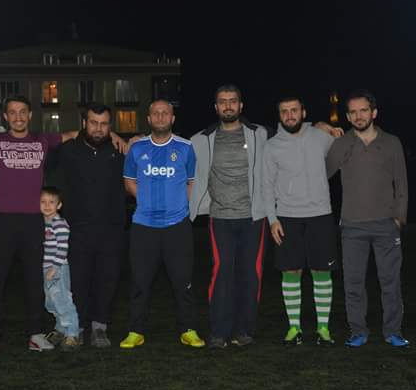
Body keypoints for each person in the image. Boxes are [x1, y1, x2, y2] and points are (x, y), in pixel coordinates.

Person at [0, 95, 126, 354]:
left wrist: (114, 134)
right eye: (12, 112)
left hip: (32, 220)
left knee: (34, 281)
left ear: (30, 115)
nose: (18, 117)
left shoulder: (43, 140)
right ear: (5, 117)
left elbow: (77, 133)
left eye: (22, 112)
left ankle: (36, 334)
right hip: (2, 219)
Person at [326, 89, 409, 347]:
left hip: (386, 225)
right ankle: (358, 331)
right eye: (353, 112)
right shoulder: (341, 144)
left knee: (390, 283)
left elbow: (402, 183)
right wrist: (320, 130)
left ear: (374, 113)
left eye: (363, 110)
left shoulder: (392, 142)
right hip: (352, 226)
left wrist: (399, 219)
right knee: (353, 284)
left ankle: (393, 331)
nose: (358, 116)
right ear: (348, 117)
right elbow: (320, 175)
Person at [119, 99, 205, 349]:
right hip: (143, 226)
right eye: (155, 113)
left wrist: (178, 205)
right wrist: (147, 201)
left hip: (177, 226)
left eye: (165, 113)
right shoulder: (137, 148)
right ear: (148, 119)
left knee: (183, 281)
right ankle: (135, 330)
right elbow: (129, 182)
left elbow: (191, 182)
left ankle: (188, 329)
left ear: (172, 118)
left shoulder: (185, 148)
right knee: (140, 282)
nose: (160, 117)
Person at [189, 84, 268, 348]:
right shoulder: (201, 139)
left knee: (250, 274)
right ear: (216, 107)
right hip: (220, 217)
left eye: (232, 101)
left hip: (253, 217)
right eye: (222, 101)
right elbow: (169, 145)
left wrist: (320, 125)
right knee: (222, 273)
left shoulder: (260, 134)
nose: (228, 106)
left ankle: (244, 330)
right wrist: (135, 138)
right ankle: (219, 332)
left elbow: (291, 133)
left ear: (241, 105)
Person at [263, 96, 339, 346]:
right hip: (287, 216)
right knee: (291, 271)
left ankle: (323, 328)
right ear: (279, 116)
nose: (289, 115)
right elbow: (266, 185)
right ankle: (294, 327)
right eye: (284, 111)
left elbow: (339, 156)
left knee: (321, 271)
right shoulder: (271, 146)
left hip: (321, 214)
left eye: (294, 110)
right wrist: (272, 219)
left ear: (303, 113)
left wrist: (327, 127)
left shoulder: (321, 137)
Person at [54, 103, 125, 348]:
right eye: (93, 123)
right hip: (77, 229)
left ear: (110, 126)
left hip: (111, 229)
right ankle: (77, 327)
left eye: (104, 124)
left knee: (107, 280)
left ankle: (99, 327)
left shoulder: (119, 150)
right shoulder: (68, 150)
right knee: (78, 280)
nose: (98, 128)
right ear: (84, 123)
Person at [40, 187, 80, 352]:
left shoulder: (60, 224)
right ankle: (60, 329)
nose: (47, 205)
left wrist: (54, 268)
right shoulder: (42, 224)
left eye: (51, 202)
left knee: (63, 301)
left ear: (59, 205)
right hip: (45, 268)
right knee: (51, 302)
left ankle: (72, 333)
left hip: (58, 268)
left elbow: (63, 249)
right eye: (43, 202)